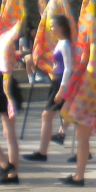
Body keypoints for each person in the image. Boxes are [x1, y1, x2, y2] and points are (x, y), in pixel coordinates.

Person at [23, 16, 74, 162]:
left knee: (48, 116)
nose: (51, 29)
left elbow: (68, 68)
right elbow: (58, 65)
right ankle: (46, 149)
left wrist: (62, 89)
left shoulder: (64, 44)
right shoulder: (60, 43)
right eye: (50, 26)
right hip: (57, 81)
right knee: (69, 114)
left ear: (61, 27)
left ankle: (42, 152)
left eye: (54, 26)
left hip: (60, 83)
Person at [0, 53, 22, 184]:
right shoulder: (5, 41)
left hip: (1, 85)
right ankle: (11, 171)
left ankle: (7, 167)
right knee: (9, 133)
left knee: (9, 133)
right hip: (6, 84)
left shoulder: (2, 42)